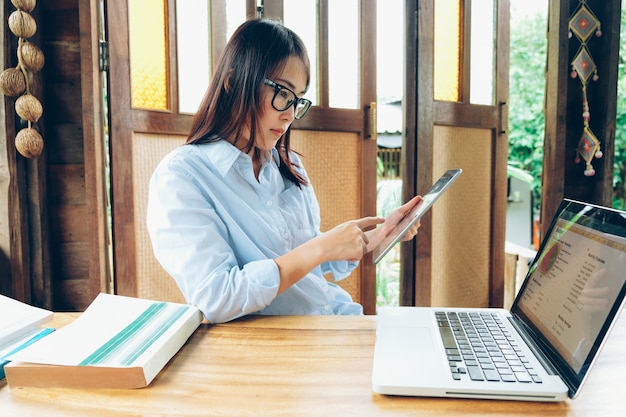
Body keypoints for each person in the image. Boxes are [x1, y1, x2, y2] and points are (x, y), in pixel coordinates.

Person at [147, 18, 421, 324]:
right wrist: (321, 247)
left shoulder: (286, 165)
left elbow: (309, 262)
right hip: (280, 345)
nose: (290, 114)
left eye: (297, 100)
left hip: (334, 318)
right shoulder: (182, 177)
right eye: (282, 93)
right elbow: (217, 297)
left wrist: (379, 237)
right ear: (233, 82)